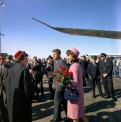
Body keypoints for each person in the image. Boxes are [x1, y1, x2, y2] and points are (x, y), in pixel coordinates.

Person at [5, 50, 33, 122]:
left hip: (11, 100)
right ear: (22, 59)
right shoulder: (24, 70)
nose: (27, 60)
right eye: (26, 58)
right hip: (22, 102)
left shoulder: (10, 69)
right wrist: (30, 99)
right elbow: (28, 89)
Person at [66, 48, 89, 122]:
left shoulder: (74, 66)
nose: (67, 57)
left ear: (73, 56)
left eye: (68, 55)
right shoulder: (77, 65)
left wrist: (66, 83)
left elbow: (75, 82)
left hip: (74, 93)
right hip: (78, 92)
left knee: (75, 116)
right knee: (81, 114)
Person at [50, 49, 69, 122]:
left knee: (56, 101)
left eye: (55, 54)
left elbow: (67, 73)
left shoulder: (62, 61)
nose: (53, 56)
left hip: (61, 85)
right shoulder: (55, 62)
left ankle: (56, 118)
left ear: (59, 54)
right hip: (57, 84)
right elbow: (55, 73)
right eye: (53, 54)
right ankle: (68, 116)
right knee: (64, 101)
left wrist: (62, 84)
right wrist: (54, 83)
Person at [0, 53, 9, 122]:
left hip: (5, 92)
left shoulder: (8, 68)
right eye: (0, 59)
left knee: (5, 110)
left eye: (3, 59)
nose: (1, 60)